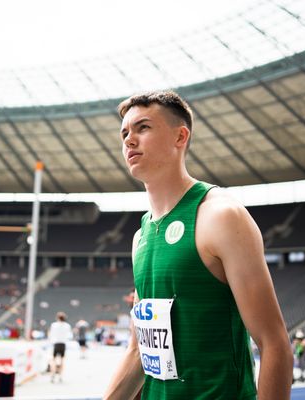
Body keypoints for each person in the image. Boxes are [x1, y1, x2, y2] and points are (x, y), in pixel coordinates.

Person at [104, 91, 292, 399]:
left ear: (181, 136)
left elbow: (274, 345)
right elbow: (139, 351)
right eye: (124, 132)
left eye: (143, 128)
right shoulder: (141, 237)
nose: (128, 140)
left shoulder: (221, 216)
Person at [48, 311, 73, 383]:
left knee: (53, 360)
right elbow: (69, 336)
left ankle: (52, 375)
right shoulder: (67, 325)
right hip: (63, 344)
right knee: (62, 360)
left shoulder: (53, 325)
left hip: (56, 343)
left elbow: (51, 334)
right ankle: (60, 376)